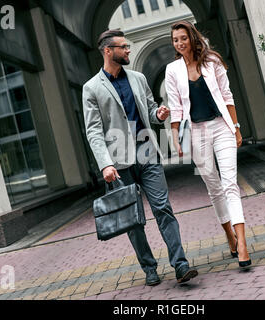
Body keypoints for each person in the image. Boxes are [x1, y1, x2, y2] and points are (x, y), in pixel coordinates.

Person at [82, 29, 198, 286]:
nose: (128, 50)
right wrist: (105, 165)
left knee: (163, 209)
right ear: (108, 51)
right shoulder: (91, 88)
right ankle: (149, 267)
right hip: (118, 162)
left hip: (147, 151)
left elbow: (150, 108)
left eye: (128, 46)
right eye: (123, 47)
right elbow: (93, 131)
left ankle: (180, 265)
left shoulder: (138, 78)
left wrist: (159, 114)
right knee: (133, 220)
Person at [165, 21, 251, 269]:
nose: (179, 43)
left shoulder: (212, 61)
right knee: (213, 186)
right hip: (196, 133)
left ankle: (243, 243)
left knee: (230, 183)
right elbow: (176, 107)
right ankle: (229, 234)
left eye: (183, 38)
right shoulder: (173, 70)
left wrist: (235, 128)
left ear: (192, 38)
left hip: (220, 126)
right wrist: (175, 139)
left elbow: (227, 95)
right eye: (175, 40)